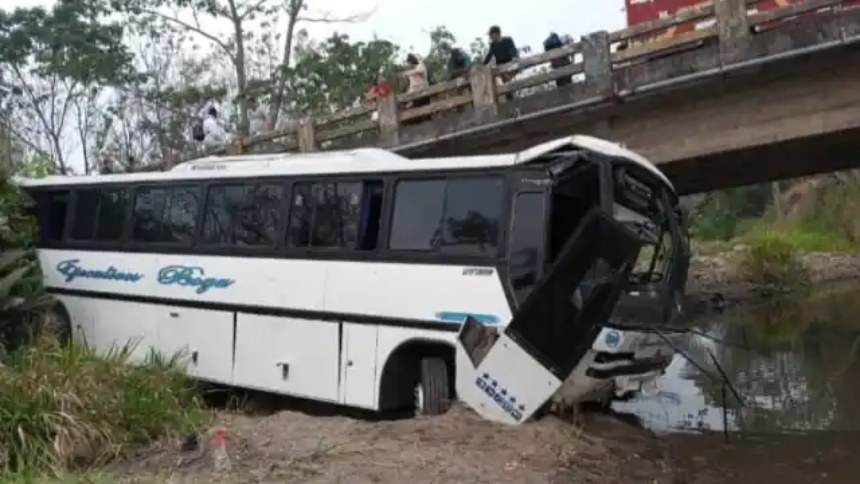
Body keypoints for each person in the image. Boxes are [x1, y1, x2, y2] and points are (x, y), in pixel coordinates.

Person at [483, 26, 519, 99]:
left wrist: (514, 57)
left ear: (496, 34)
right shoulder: (493, 45)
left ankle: (511, 94)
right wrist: (482, 65)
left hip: (510, 64)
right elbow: (489, 56)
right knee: (505, 81)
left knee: (508, 80)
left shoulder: (507, 40)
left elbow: (513, 50)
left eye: (491, 35)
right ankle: (510, 96)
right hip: (501, 66)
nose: (490, 37)